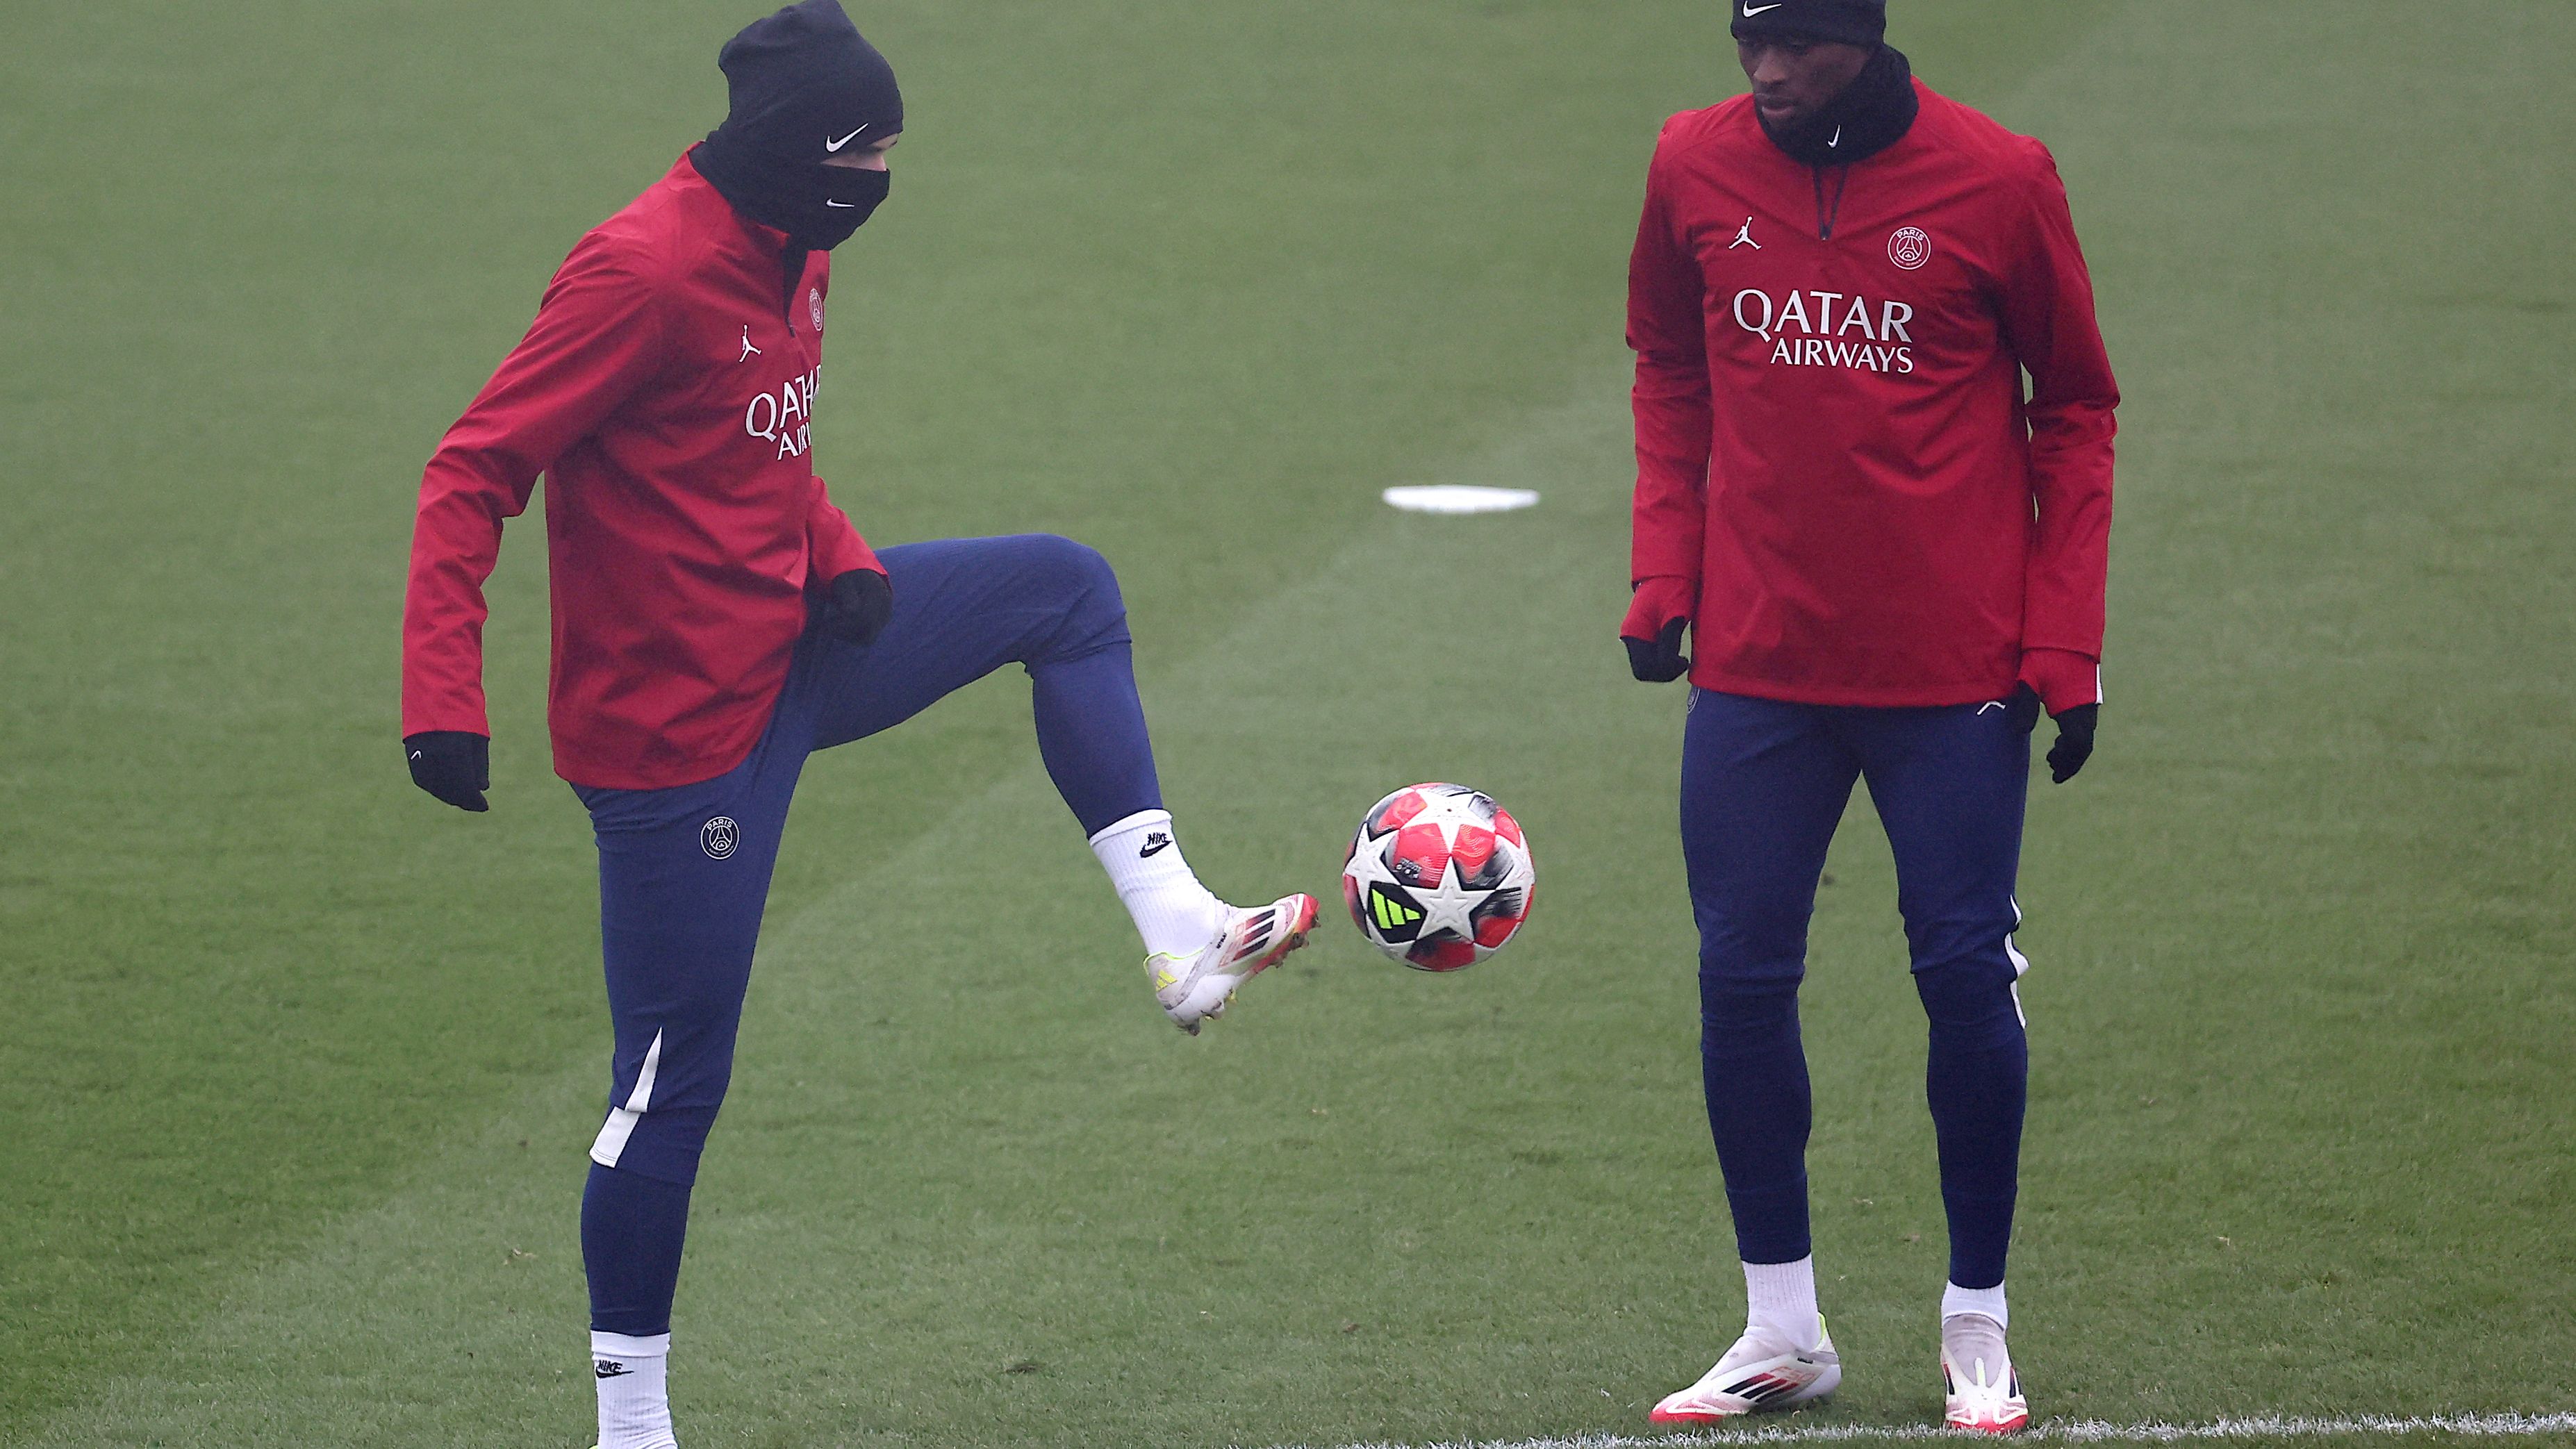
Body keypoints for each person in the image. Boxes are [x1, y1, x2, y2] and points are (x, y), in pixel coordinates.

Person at [398, 5, 1316, 1445]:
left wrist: (845, 557)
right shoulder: (640, 270)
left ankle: (1177, 923)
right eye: (868, 154)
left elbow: (758, 440)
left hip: (792, 647)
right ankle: (631, 1421)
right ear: (795, 152)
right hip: (674, 744)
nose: (884, 179)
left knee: (1064, 592)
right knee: (670, 1082)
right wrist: (442, 702)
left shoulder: (796, 241)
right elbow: (472, 470)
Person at [1619, 0, 2117, 1433]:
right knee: (1739, 974)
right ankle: (1782, 1328)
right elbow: (1669, 363)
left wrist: (2065, 643)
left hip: (1949, 667)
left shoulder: (2001, 179)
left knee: (1963, 973)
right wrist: (1666, 569)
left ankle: (1979, 1323)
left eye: (1796, 48)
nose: (1767, 76)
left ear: (1864, 39)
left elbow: (2074, 407)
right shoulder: (1689, 163)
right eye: (1745, 47)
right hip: (1761, 660)